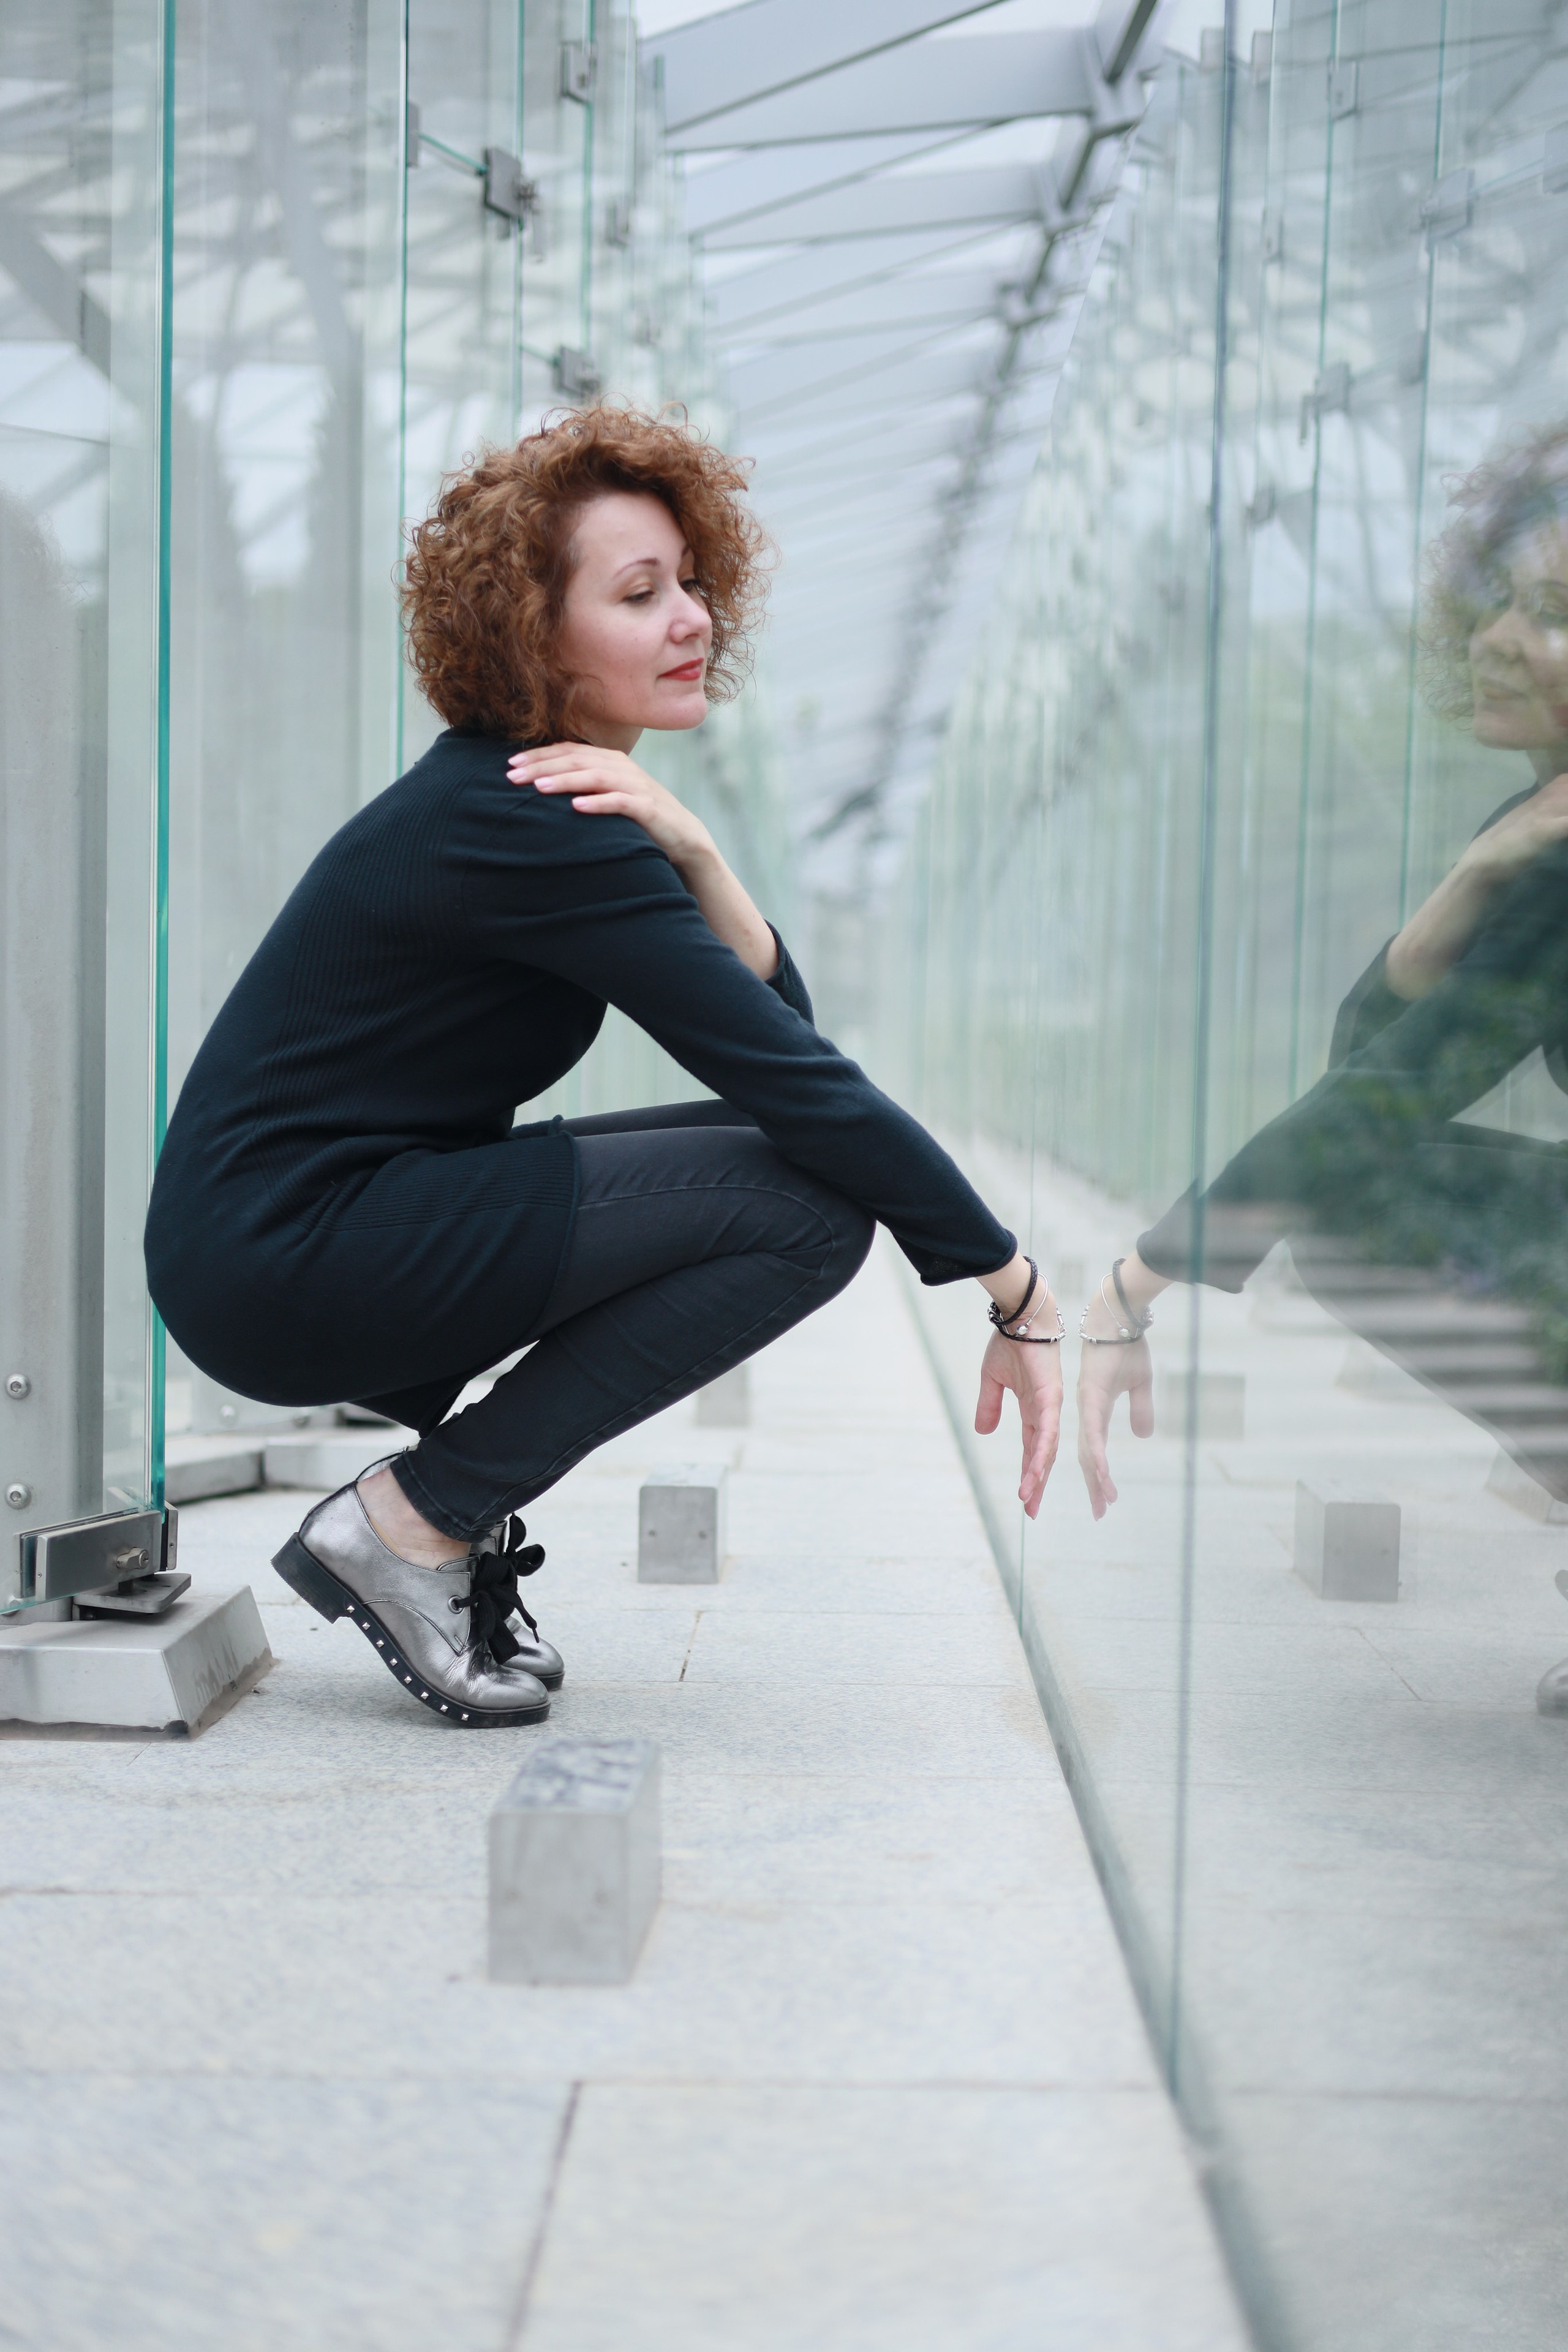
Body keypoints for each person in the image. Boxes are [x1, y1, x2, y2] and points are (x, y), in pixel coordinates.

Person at [145, 407, 1062, 1728]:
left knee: (789, 1179)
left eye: (692, 582)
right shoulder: (529, 824)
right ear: (531, 632)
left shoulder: (535, 803)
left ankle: (429, 1517)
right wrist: (1010, 1283)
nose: (692, 617)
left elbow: (780, 1054)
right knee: (801, 1209)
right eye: (640, 593)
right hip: (287, 1255)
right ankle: (417, 1523)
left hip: (304, 1232)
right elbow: (794, 1081)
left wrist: (699, 856)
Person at [1074, 424, 1568, 1698]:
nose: (1499, 641)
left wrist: (1142, 1274)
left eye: (1552, 617)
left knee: (1347, 1188)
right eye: (1503, 603)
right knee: (1348, 1187)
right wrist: (1471, 873)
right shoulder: (1539, 830)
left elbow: (1384, 1096)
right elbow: (1373, 1060)